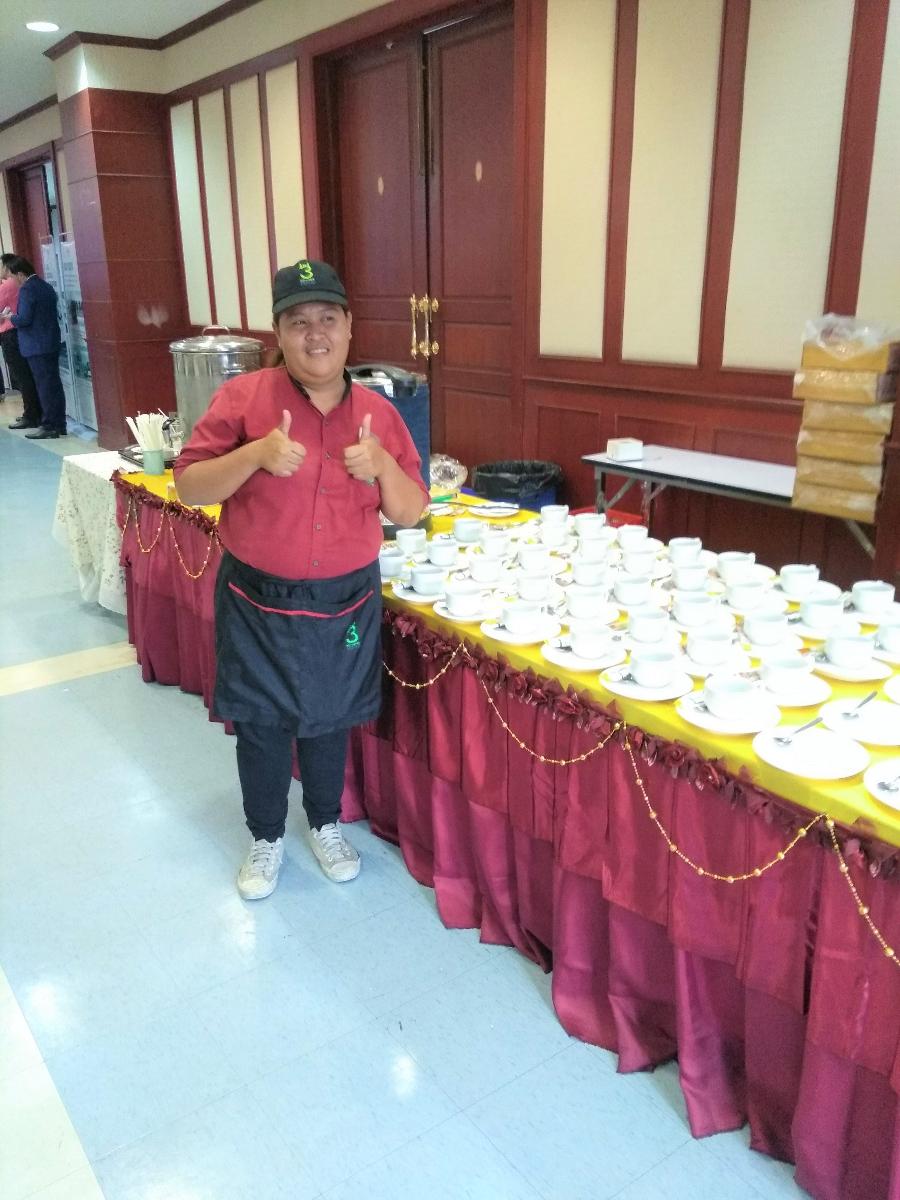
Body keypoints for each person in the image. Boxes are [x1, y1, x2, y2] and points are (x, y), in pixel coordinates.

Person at [174, 260, 428, 900]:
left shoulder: (379, 414)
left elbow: (410, 511)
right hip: (255, 597)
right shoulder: (242, 400)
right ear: (279, 334)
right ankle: (265, 836)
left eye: (327, 318)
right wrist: (255, 454)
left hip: (345, 600)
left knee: (329, 717)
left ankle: (324, 823)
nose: (316, 334)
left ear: (349, 326)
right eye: (298, 321)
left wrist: (381, 467)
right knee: (260, 724)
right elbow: (190, 486)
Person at [0, 256, 66, 438]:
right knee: (53, 385)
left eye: (11, 276)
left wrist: (10, 317)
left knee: (44, 387)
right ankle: (59, 423)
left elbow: (24, 319)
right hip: (50, 342)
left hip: (37, 345)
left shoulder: (28, 289)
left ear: (20, 274)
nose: (11, 281)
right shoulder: (44, 286)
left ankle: (50, 426)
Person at [0, 253, 42, 429]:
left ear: (8, 267)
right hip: (19, 332)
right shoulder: (17, 284)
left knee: (22, 376)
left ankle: (31, 415)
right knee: (26, 375)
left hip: (11, 333)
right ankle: (34, 412)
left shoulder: (8, 285)